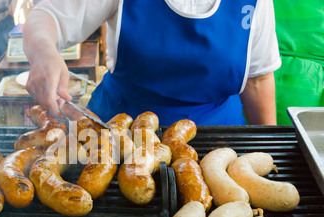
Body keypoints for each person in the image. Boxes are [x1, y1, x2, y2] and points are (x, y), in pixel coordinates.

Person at [22, 0, 281, 126]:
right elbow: (49, 15)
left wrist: (269, 155)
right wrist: (43, 52)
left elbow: (257, 81)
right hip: (116, 133)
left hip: (219, 142)